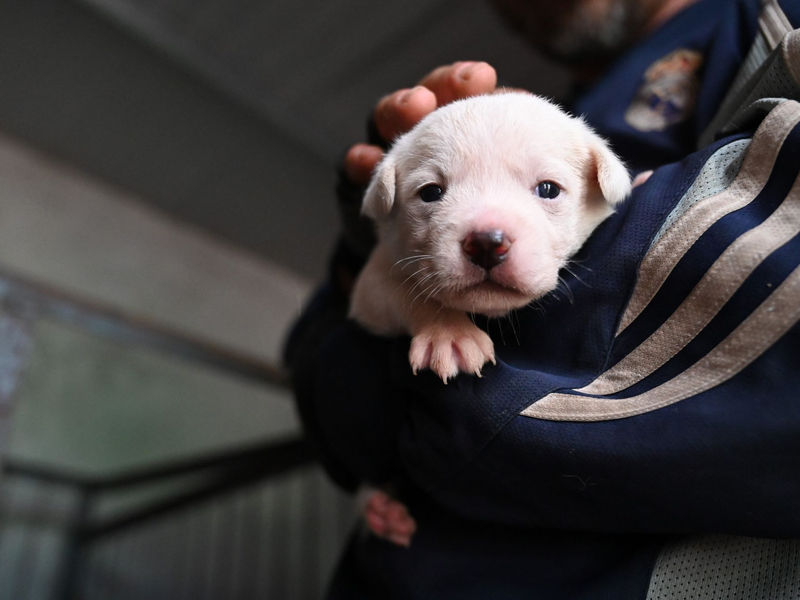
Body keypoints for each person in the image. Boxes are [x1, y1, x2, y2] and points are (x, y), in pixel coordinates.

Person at [284, 0, 800, 597]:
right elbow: (313, 367)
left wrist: (379, 377)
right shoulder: (548, 117)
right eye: (432, 190)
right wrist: (373, 246)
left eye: (546, 189)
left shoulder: (764, 25)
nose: (487, 234)